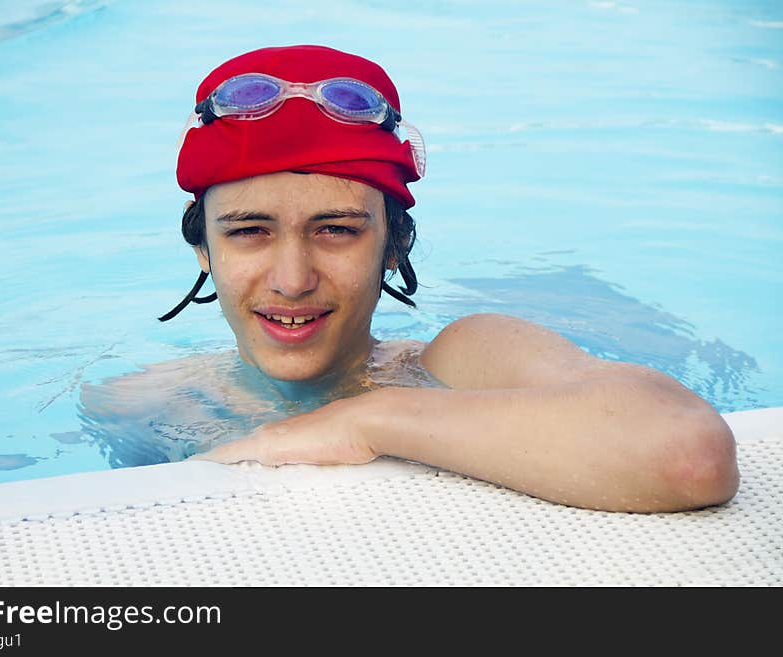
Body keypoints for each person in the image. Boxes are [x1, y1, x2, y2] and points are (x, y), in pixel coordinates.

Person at [84, 44, 739, 513]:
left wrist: (370, 419)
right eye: (249, 230)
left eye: (337, 229)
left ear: (394, 244)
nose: (291, 278)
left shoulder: (460, 361)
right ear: (202, 246)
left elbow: (689, 455)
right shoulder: (142, 406)